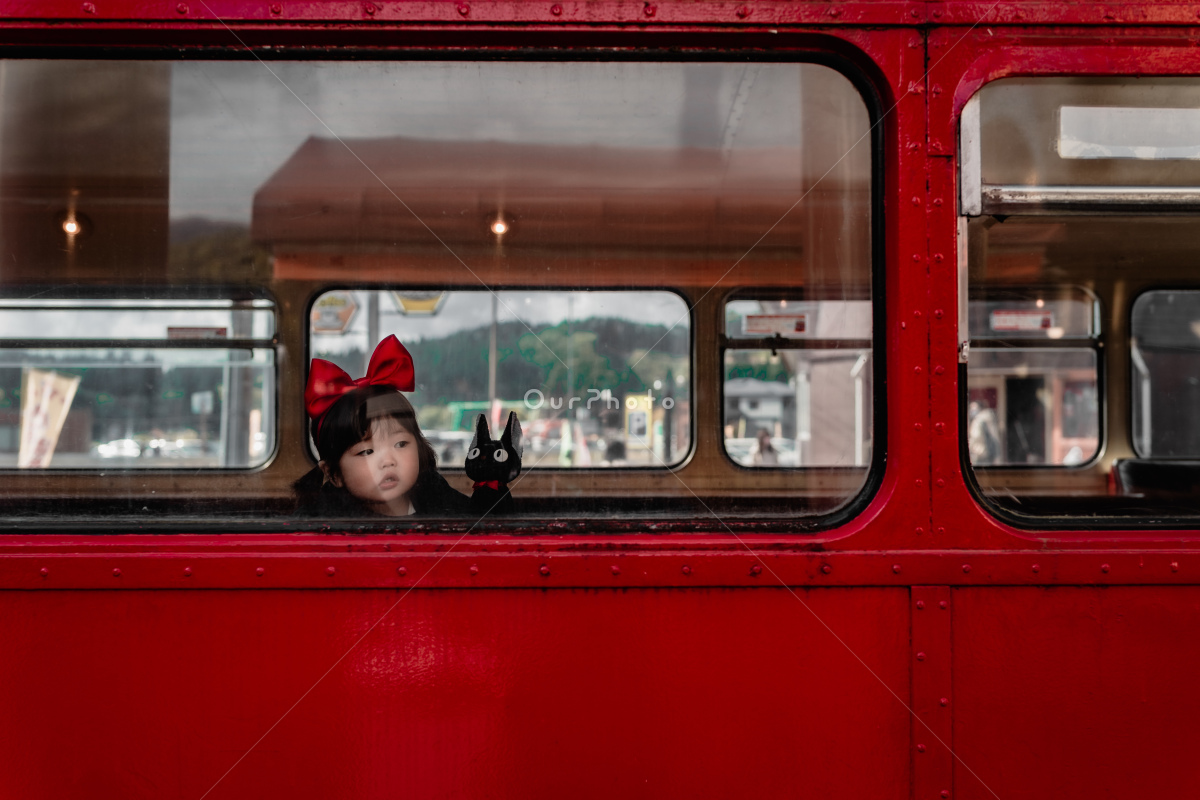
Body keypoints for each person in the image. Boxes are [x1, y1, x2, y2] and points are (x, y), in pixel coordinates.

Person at [294, 335, 469, 517]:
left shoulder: (438, 497)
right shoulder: (323, 519)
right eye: (366, 452)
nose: (388, 461)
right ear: (333, 474)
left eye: (401, 444)